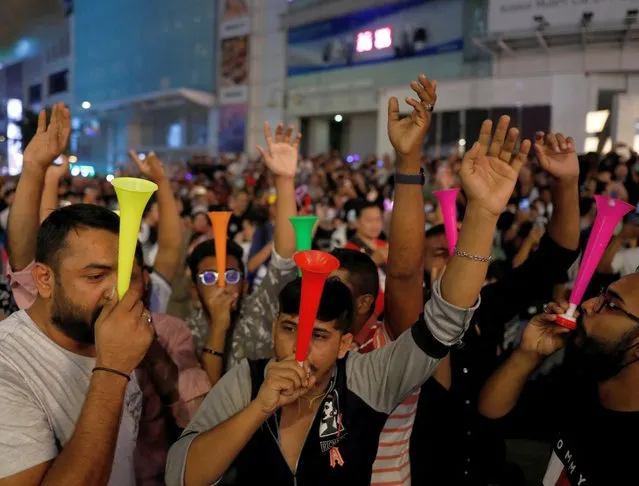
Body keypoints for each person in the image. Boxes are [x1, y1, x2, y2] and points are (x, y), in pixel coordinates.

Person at [165, 103, 531, 486]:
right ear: (274, 327)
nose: (299, 347)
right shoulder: (248, 380)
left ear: (345, 344)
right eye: (289, 328)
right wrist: (259, 407)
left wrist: (483, 216)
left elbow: (443, 321)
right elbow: (180, 476)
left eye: (319, 335)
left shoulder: (366, 378)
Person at [385, 101, 581, 482]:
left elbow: (556, 258)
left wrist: (567, 183)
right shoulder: (399, 321)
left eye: (462, 252)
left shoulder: (487, 306)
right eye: (441, 253)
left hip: (490, 469)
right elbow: (404, 275)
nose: (458, 259)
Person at [0, 105, 152, 486]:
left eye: (129, 277)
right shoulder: (9, 367)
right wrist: (113, 370)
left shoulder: (109, 335)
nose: (117, 291)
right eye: (96, 275)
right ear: (44, 280)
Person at [478, 272, 639, 485]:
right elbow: (491, 413)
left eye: (611, 305)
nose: (588, 304)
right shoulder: (583, 382)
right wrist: (528, 354)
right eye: (602, 295)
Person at [184, 122, 301, 383]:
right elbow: (204, 406)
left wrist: (284, 181)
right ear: (193, 289)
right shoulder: (182, 335)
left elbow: (285, 259)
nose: (223, 286)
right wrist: (217, 328)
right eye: (209, 278)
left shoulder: (259, 309)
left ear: (246, 284)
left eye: (232, 276)